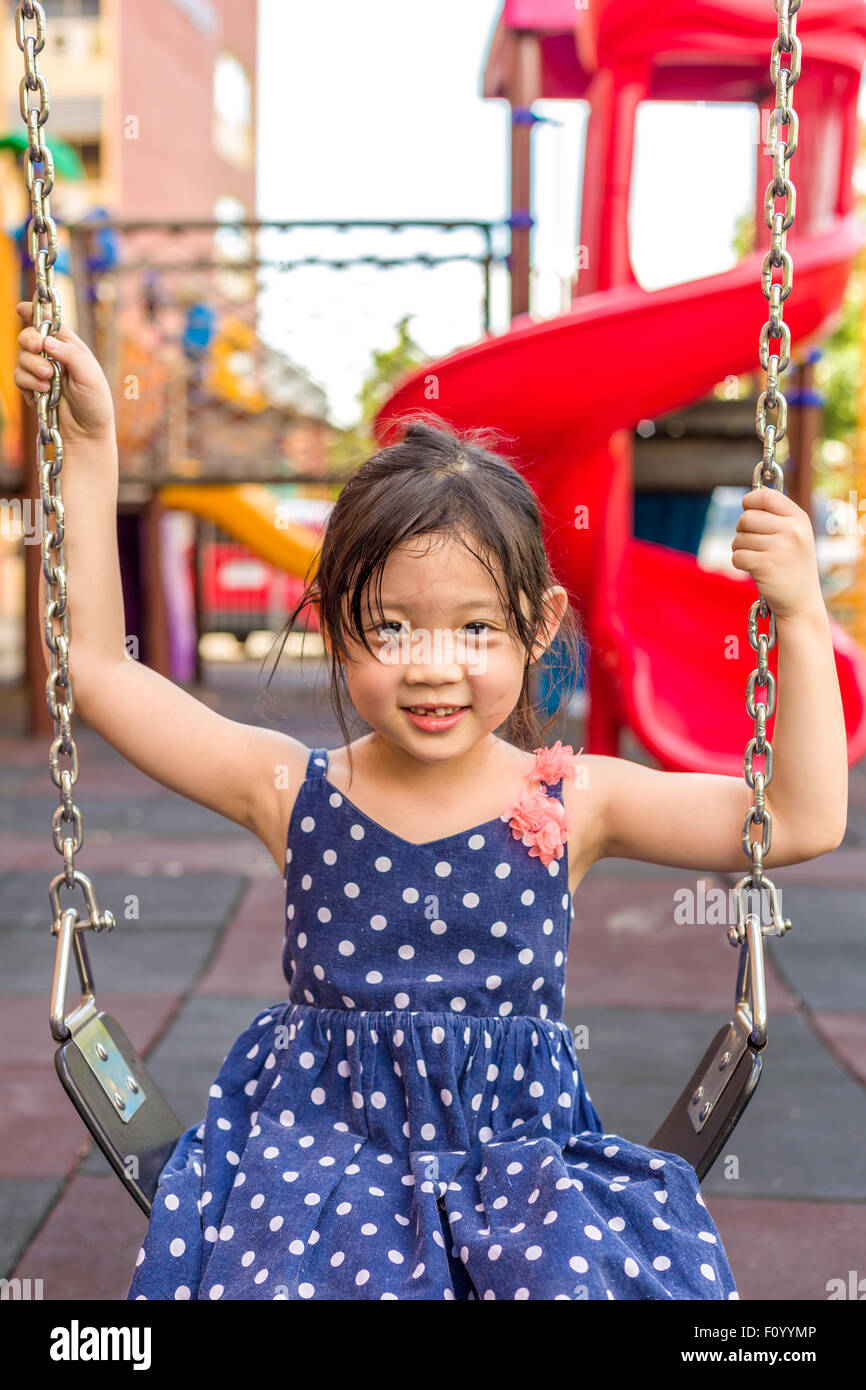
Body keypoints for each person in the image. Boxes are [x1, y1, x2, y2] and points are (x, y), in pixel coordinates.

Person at [15, 304, 848, 1301]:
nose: (432, 667)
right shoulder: (294, 787)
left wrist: (797, 617)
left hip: (517, 1173)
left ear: (537, 625)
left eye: (473, 630)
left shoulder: (575, 799)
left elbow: (796, 820)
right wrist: (94, 447)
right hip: (317, 1161)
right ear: (331, 621)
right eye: (390, 627)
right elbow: (101, 673)